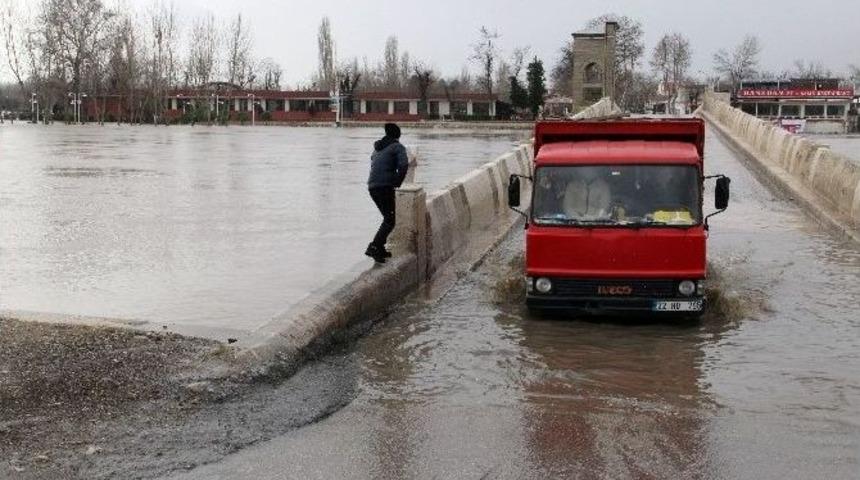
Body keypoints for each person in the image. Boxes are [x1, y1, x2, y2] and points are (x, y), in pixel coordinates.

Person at [366, 123, 409, 263]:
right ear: (398, 135)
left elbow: (374, 163)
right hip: (384, 186)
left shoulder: (377, 149)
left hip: (372, 186)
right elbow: (404, 165)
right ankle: (374, 246)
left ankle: (380, 248)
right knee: (390, 220)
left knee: (387, 218)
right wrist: (397, 181)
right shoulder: (398, 147)